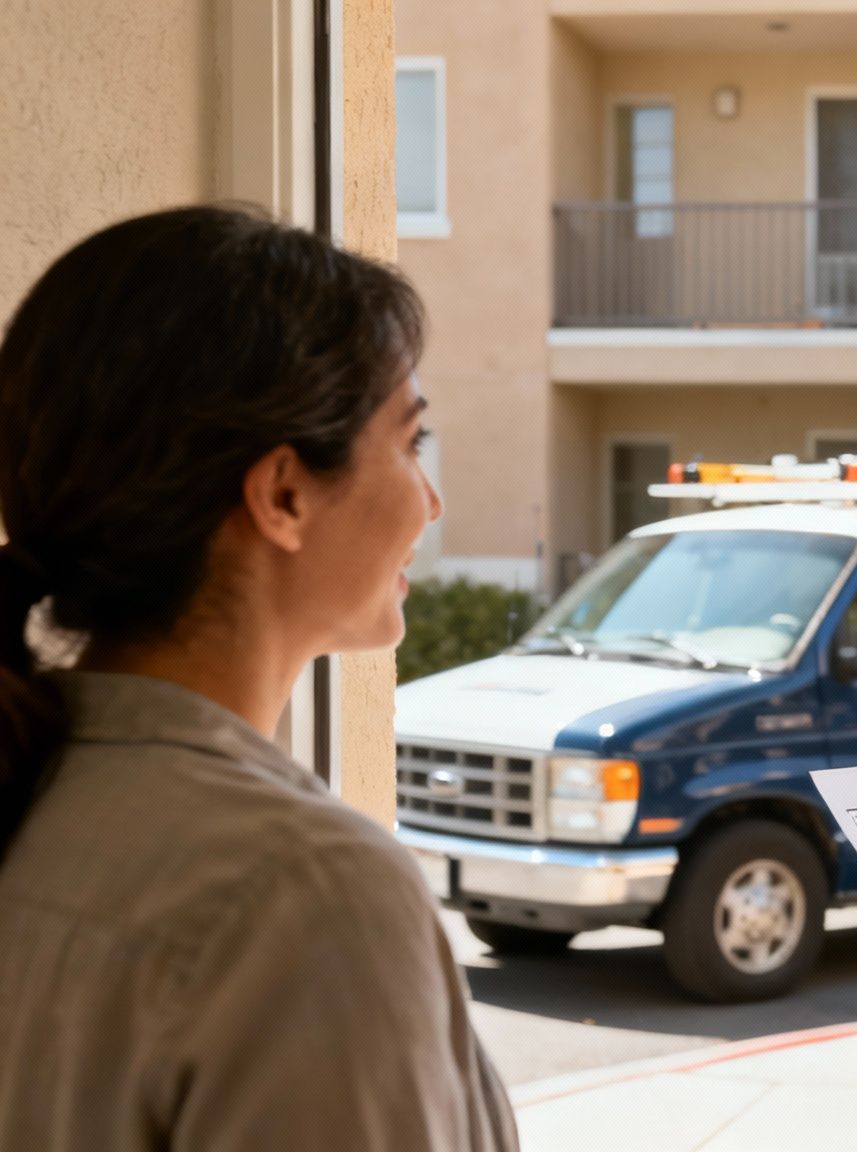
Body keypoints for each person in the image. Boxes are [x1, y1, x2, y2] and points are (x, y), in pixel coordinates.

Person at [0, 206, 516, 1150]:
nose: (429, 501)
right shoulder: (307, 895)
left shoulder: (39, 790)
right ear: (283, 494)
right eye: (410, 445)